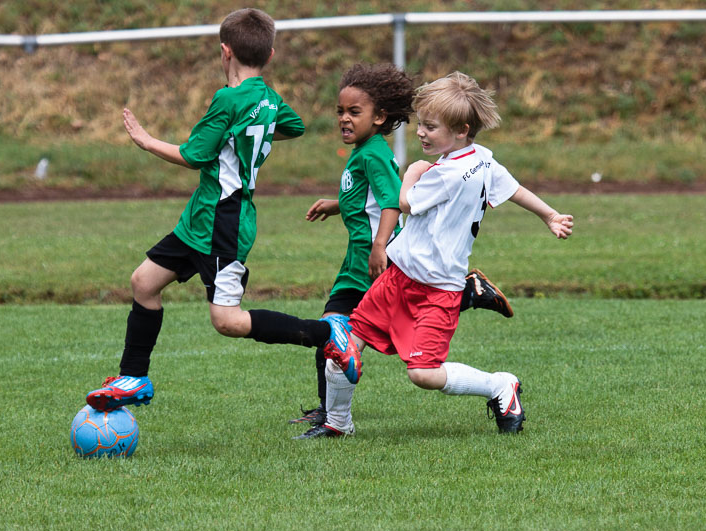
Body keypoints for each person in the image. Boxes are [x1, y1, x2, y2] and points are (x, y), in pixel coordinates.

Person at [85, 8, 361, 411]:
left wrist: (146, 141)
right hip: (199, 220)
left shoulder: (227, 99)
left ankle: (326, 334)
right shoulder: (268, 99)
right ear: (269, 56)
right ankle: (135, 378)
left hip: (224, 224)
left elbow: (194, 155)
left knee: (227, 322)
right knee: (144, 283)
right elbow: (295, 126)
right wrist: (255, 131)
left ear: (224, 51)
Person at [294, 71, 574, 439]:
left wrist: (411, 173)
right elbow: (515, 189)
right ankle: (337, 423)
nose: (421, 132)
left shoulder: (445, 174)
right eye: (421, 124)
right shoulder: (483, 160)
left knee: (423, 374)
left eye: (431, 126)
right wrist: (549, 214)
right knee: (344, 346)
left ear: (461, 130)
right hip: (398, 278)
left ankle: (501, 386)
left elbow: (404, 202)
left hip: (438, 290)